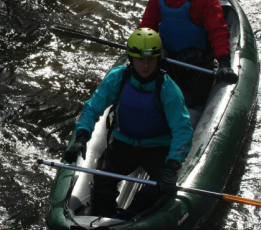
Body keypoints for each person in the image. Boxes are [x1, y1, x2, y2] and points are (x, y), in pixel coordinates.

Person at [64, 28, 193, 220]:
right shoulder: (118, 78)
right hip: (123, 145)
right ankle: (104, 216)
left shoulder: (168, 89)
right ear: (131, 59)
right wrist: (82, 137)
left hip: (158, 149)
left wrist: (172, 165)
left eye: (151, 59)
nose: (146, 65)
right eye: (140, 59)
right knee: (102, 185)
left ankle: (130, 218)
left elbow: (182, 129)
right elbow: (93, 108)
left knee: (156, 192)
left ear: (158, 59)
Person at [138, 0, 238, 108]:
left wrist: (223, 63)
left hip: (199, 64)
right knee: (154, 97)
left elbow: (218, 31)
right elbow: (147, 27)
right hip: (169, 61)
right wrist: (150, 51)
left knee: (197, 100)